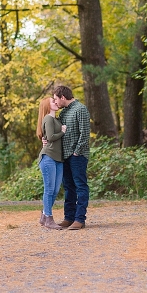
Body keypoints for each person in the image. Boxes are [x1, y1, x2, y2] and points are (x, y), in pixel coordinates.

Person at [53, 85, 90, 230]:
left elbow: (85, 133)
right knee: (68, 187)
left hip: (77, 155)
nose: (55, 102)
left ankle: (80, 219)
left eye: (56, 99)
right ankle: (69, 217)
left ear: (63, 97)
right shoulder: (64, 113)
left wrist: (77, 151)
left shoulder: (80, 109)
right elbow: (58, 132)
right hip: (65, 155)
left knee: (80, 186)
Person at [36, 96, 66, 230]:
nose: (55, 102)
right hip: (48, 157)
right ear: (48, 106)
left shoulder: (55, 119)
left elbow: (46, 137)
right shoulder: (48, 118)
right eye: (52, 101)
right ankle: (49, 219)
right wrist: (62, 132)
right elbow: (49, 137)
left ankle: (44, 216)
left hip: (58, 159)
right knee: (49, 190)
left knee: (54, 191)